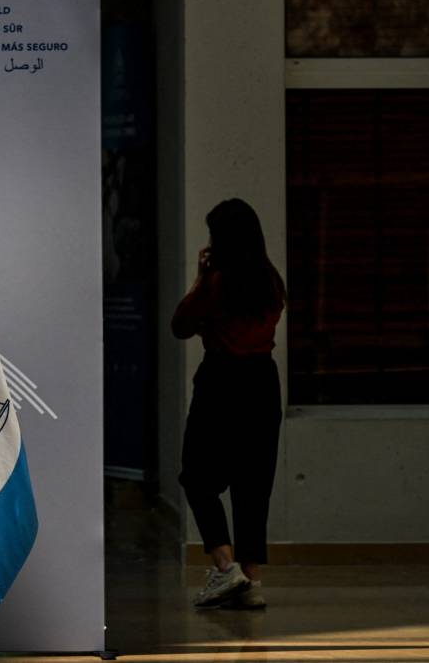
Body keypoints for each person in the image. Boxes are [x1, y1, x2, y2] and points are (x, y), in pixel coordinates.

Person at [171, 198, 287, 609]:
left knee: (196, 477)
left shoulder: (218, 283)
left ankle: (225, 568)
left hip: (222, 381)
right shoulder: (271, 281)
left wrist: (201, 280)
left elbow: (180, 325)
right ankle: (251, 581)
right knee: (254, 483)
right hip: (262, 382)